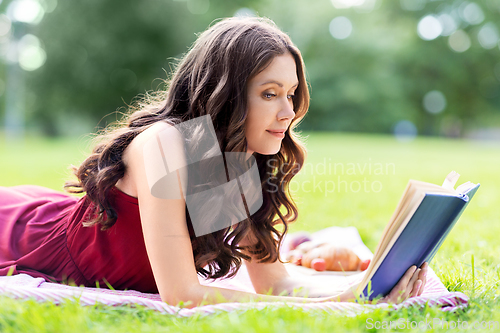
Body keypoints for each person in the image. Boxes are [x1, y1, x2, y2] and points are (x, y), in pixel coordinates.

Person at [0, 17, 427, 308]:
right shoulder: (166, 143)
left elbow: (275, 283)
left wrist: (362, 289)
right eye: (269, 93)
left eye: (291, 93)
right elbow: (182, 294)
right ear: (226, 92)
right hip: (18, 234)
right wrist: (338, 304)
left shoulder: (231, 160)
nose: (287, 112)